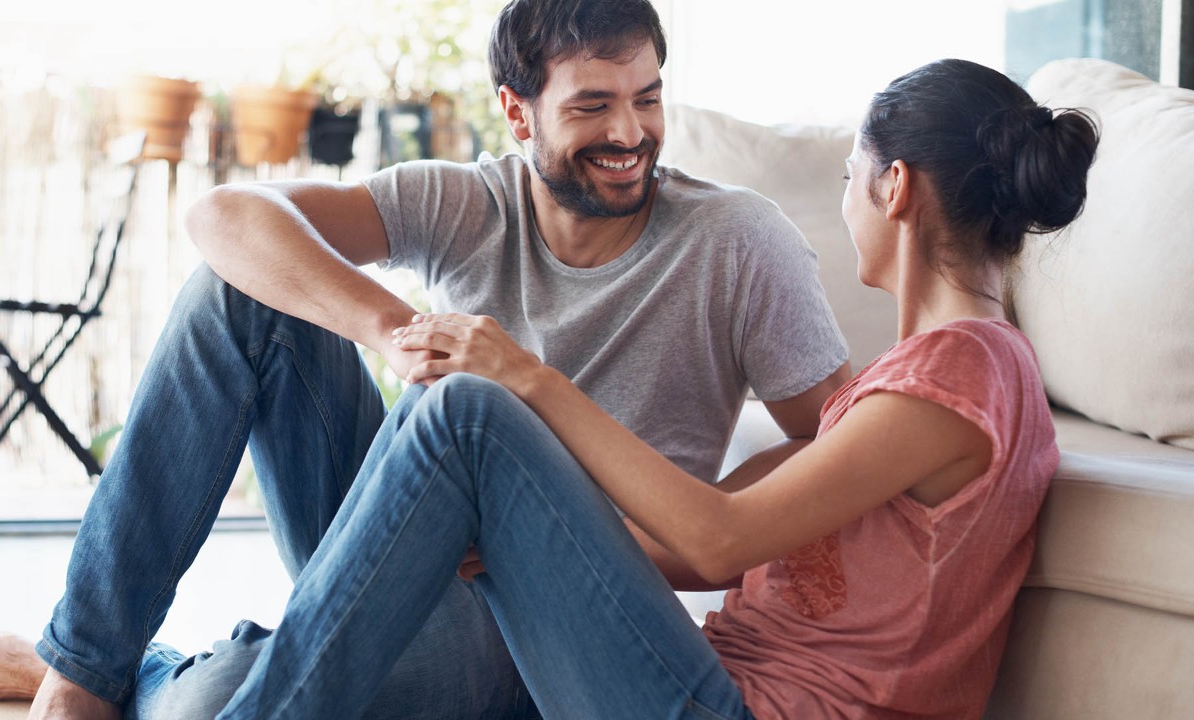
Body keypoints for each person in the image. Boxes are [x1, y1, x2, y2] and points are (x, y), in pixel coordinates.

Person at [0, 1, 851, 718]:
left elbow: (835, 439)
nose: (631, 133)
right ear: (516, 111)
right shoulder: (467, 203)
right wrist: (393, 330)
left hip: (550, 614)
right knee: (238, 292)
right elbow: (223, 217)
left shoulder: (735, 239)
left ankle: (123, 667)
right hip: (399, 537)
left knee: (208, 705)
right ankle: (82, 671)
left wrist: (645, 538)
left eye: (648, 97)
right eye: (592, 106)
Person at [204, 58, 1100, 719]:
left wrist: (531, 378)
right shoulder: (926, 379)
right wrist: (520, 541)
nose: (846, 204)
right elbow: (701, 538)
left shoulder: (963, 373)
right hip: (711, 682)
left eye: (849, 180)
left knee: (470, 411)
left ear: (894, 187)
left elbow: (718, 540)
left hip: (745, 710)